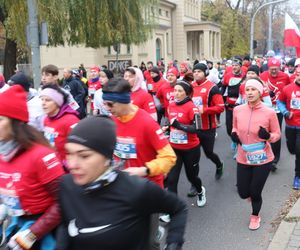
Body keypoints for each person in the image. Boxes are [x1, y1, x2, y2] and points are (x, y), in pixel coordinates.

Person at [57, 115, 187, 250]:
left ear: (106, 157)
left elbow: (179, 208)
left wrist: (173, 244)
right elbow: (68, 224)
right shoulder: (66, 185)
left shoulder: (135, 189)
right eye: (69, 153)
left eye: (84, 156)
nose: (72, 164)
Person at [102, 78, 176, 249]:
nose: (107, 108)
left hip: (147, 190)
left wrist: (144, 170)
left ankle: (153, 233)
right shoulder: (113, 120)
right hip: (122, 188)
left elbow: (169, 157)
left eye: (110, 104)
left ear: (123, 101)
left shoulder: (146, 122)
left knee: (149, 244)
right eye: (105, 104)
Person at [0, 85, 64, 249]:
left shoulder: (41, 155)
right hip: (16, 227)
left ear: (16, 123)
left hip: (44, 232)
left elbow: (64, 201)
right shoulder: (3, 152)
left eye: (0, 119)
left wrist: (33, 233)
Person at [232, 78, 280, 230]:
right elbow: (234, 127)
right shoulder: (237, 110)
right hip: (243, 156)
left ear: (260, 92)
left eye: (253, 89)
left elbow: (277, 134)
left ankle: (255, 215)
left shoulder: (269, 112)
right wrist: (234, 134)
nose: (250, 92)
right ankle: (252, 196)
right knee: (242, 192)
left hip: (263, 158)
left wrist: (268, 137)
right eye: (247, 90)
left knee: (255, 191)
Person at [165, 80, 206, 207]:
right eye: (175, 90)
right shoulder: (170, 105)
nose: (176, 93)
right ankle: (172, 208)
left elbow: (197, 129)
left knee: (191, 177)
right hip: (174, 147)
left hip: (190, 149)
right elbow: (170, 122)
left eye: (179, 91)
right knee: (171, 179)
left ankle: (200, 191)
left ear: (187, 94)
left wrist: (179, 125)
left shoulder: (192, 108)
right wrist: (166, 128)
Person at [191, 63, 224, 184]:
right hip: (194, 127)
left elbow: (220, 108)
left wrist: (205, 109)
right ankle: (195, 184)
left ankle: (219, 164)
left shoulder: (212, 88)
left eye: (199, 71)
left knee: (209, 153)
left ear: (205, 73)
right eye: (194, 71)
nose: (196, 74)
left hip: (208, 128)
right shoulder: (190, 87)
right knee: (194, 157)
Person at [260, 58, 290, 169]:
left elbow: (289, 89)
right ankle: (264, 154)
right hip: (265, 108)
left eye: (276, 69)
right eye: (272, 69)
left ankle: (274, 159)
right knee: (264, 131)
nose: (274, 71)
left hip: (278, 109)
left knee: (276, 132)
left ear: (279, 68)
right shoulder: (262, 76)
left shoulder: (285, 76)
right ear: (268, 68)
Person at [40, 84, 79, 168]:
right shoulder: (46, 119)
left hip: (68, 170)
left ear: (57, 102)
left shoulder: (71, 120)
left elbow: (79, 147)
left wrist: (66, 165)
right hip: (52, 166)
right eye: (42, 99)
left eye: (47, 100)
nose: (43, 103)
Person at [277, 67, 300, 189]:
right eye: (299, 74)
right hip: (291, 125)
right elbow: (280, 102)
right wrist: (285, 112)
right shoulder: (287, 89)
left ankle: (298, 176)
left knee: (299, 151)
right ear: (296, 75)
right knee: (292, 149)